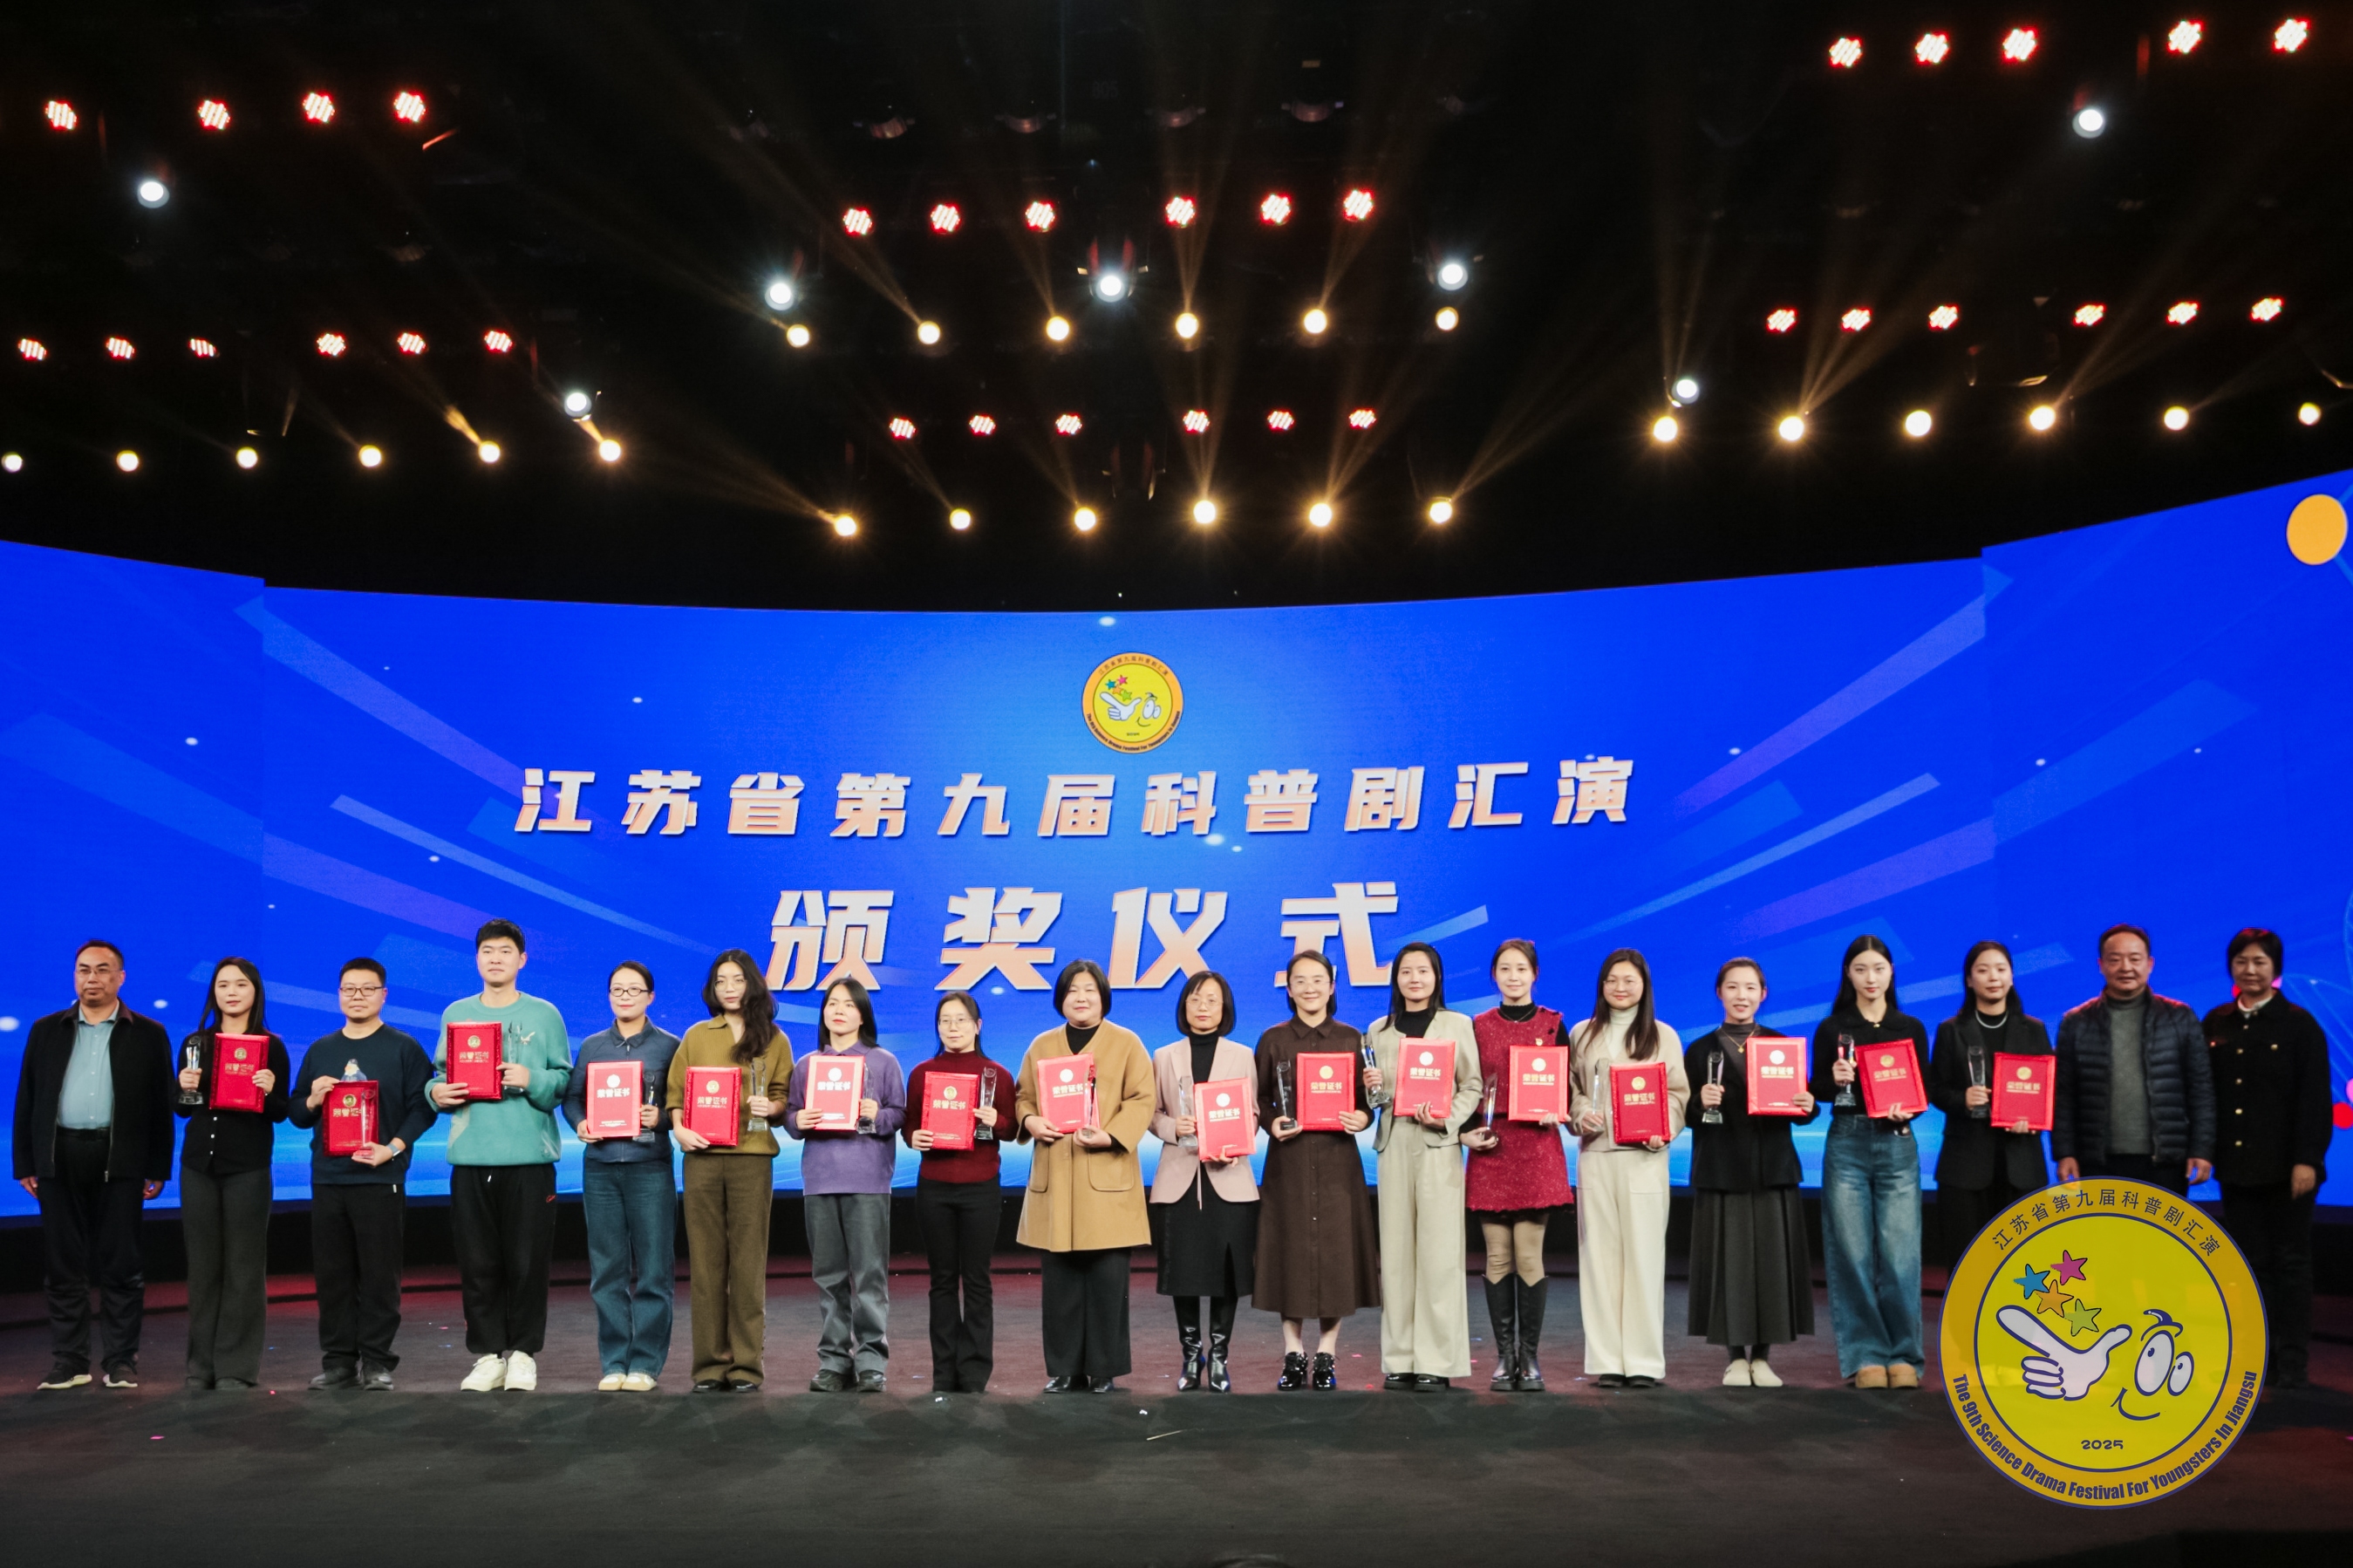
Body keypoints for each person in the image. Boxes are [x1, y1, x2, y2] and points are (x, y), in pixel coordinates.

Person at [14, 941, 174, 1390]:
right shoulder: (46, 1030)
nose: (92, 979)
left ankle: (121, 1361)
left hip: (120, 1159)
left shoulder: (148, 1033)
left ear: (120, 978)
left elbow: (161, 1107)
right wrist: (25, 1162)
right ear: (74, 976)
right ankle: (70, 1361)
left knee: (121, 1265)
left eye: (102, 970)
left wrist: (158, 1167)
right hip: (59, 1156)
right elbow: (27, 1099)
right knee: (63, 1265)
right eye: (83, 970)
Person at [427, 918, 572, 1393]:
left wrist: (532, 1079)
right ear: (476, 959)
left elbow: (563, 1080)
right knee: (478, 1263)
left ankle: (524, 1354)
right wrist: (436, 1093)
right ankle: (488, 1355)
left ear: (522, 959)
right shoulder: (456, 1013)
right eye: (487, 951)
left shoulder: (544, 1014)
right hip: (472, 1156)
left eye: (505, 951)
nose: (495, 958)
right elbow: (438, 1076)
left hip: (529, 1158)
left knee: (528, 1263)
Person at [286, 958, 436, 1391]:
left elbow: (423, 1108)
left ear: (383, 995)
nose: (357, 996)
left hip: (380, 1177)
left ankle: (376, 1361)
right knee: (333, 1277)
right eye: (349, 989)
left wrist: (392, 1148)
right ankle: (338, 1362)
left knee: (379, 1276)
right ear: (338, 995)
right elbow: (297, 1112)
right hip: (329, 1177)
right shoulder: (321, 1049)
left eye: (367, 989)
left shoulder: (403, 1047)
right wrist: (313, 1099)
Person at [1015, 958, 1156, 1393]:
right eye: (1072, 990)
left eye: (1090, 990)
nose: (1081, 997)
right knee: (1060, 1283)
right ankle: (1064, 1368)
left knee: (1108, 1282)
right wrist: (1031, 1121)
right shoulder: (1042, 1045)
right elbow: (1023, 1097)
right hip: (1057, 1176)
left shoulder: (1126, 1043)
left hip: (1106, 1175)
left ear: (1103, 997)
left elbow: (1142, 1099)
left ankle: (1103, 1369)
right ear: (1061, 998)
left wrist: (1111, 1135)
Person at [2203, 928, 2334, 1390]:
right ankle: (2257, 1357)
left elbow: (2314, 1099)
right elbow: (2206, 1094)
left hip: (2288, 1171)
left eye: (2260, 962)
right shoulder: (2216, 1022)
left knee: (2291, 1265)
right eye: (2242, 961)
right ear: (2231, 967)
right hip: (2237, 1168)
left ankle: (2292, 1362)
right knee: (2248, 1266)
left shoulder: (2299, 1024)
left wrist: (2307, 1160)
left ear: (2276, 969)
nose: (2250, 970)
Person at [1685, 958, 1818, 1387]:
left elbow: (1802, 1109)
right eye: (1732, 987)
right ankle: (1733, 1359)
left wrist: (1808, 1104)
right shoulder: (1699, 1050)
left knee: (1770, 1267)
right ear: (1719, 993)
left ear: (1763, 994)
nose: (1741, 996)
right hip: (1721, 1170)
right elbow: (1685, 1115)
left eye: (1750, 988)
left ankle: (1762, 1357)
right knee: (1728, 1266)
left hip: (1772, 1169)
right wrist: (1699, 1104)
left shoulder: (1782, 1045)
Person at [1252, 950, 1380, 1392]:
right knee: (1289, 1254)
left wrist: (1364, 1116)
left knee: (1335, 1257)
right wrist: (1272, 1122)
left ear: (1332, 986)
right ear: (1289, 989)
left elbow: (1366, 1102)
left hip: (1337, 1163)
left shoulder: (1352, 1039)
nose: (1309, 988)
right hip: (1287, 1162)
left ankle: (1326, 1352)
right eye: (1300, 981)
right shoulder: (1273, 1039)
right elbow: (1260, 1098)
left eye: (1318, 980)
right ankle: (1293, 1352)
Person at [1808, 934, 1931, 1390]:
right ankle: (1866, 1355)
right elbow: (1818, 1090)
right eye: (1861, 969)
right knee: (1852, 1255)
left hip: (1897, 1142)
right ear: (1848, 974)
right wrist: (1833, 1077)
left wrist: (1908, 1109)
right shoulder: (1832, 1028)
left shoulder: (1910, 1027)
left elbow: (1922, 1091)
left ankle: (1904, 1355)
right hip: (1848, 1141)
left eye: (1878, 968)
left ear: (1891, 972)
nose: (1870, 978)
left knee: (1901, 1255)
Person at [669, 950, 793, 1391]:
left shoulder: (774, 1039)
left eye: (737, 980)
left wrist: (771, 1108)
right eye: (721, 981)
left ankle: (746, 1366)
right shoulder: (697, 1036)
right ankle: (708, 1366)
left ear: (752, 984)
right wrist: (679, 1129)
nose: (729, 988)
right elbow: (676, 1095)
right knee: (705, 1265)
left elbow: (783, 1098)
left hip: (751, 1158)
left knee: (747, 1263)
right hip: (702, 1159)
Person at [1565, 947, 1688, 1389]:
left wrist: (1663, 1129)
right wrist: (1581, 1115)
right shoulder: (1581, 1033)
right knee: (1598, 1260)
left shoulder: (1662, 1035)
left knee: (1644, 1259)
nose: (1620, 988)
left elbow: (1677, 1095)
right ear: (1601, 985)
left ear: (1644, 986)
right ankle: (1607, 1360)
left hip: (1644, 1160)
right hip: (1597, 1157)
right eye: (1612, 980)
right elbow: (1573, 1090)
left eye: (1629, 980)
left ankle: (1643, 1362)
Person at [1364, 941, 1483, 1391]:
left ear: (1437, 977)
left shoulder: (1457, 1024)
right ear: (1396, 979)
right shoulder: (1378, 1030)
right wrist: (1372, 1088)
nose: (1415, 979)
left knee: (1439, 1255)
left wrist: (1447, 1118)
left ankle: (1436, 1360)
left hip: (1437, 1144)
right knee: (1395, 1256)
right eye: (1406, 972)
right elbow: (1375, 1098)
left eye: (1423, 971)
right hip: (1394, 1143)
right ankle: (1400, 1358)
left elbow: (1472, 1086)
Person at [563, 960, 683, 1392]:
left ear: (651, 997)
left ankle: (645, 1364)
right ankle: (614, 1361)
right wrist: (580, 1123)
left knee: (654, 1270)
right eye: (618, 989)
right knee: (607, 1271)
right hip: (600, 1169)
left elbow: (682, 1105)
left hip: (649, 1166)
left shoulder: (671, 1046)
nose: (625, 996)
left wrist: (661, 1118)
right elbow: (572, 1098)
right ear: (609, 996)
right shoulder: (593, 1046)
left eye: (634, 990)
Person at [173, 958, 291, 1389]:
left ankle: (236, 1368)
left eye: (241, 984)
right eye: (223, 985)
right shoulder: (195, 1042)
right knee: (203, 1268)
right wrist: (183, 1088)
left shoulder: (271, 1046)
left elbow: (280, 1112)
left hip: (248, 1168)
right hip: (198, 1166)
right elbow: (182, 1109)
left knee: (244, 1267)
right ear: (214, 993)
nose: (232, 992)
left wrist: (269, 1091)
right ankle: (200, 1366)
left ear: (255, 991)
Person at [1462, 939, 1572, 1391]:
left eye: (1521, 969)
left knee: (1528, 1255)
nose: (1513, 976)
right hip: (1492, 1147)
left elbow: (1566, 1088)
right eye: (1505, 969)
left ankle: (1530, 1358)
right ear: (1494, 975)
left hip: (1536, 1149)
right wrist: (1467, 1131)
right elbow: (1466, 1086)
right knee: (1497, 1256)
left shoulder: (1553, 1024)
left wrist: (1558, 1109)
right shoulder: (1477, 1026)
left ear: (1535, 974)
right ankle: (1504, 1356)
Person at [785, 976, 904, 1393]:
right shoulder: (807, 1065)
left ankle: (871, 1360)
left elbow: (899, 1114)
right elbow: (792, 1116)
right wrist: (797, 1120)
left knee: (869, 1274)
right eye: (832, 1003)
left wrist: (878, 1114)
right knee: (828, 1276)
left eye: (849, 1004)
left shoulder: (883, 1061)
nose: (839, 1010)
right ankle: (834, 1361)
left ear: (862, 1015)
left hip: (868, 1179)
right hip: (820, 1179)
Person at [1149, 971, 1259, 1394]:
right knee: (1185, 1272)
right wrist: (1171, 1127)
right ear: (1184, 1006)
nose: (1203, 1007)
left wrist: (1235, 1141)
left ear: (1224, 1007)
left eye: (1212, 1000)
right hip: (1180, 1177)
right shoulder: (1164, 1056)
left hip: (1228, 1178)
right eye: (1195, 999)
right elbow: (1151, 1113)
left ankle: (1219, 1358)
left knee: (1226, 1274)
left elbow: (1251, 1113)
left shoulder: (1241, 1055)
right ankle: (1191, 1355)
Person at [904, 991, 1017, 1393]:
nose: (953, 1028)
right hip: (934, 1187)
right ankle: (944, 1370)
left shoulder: (996, 1075)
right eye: (945, 1021)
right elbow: (910, 1123)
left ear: (977, 1025)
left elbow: (1012, 1129)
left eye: (961, 1020)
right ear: (937, 1027)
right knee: (942, 1281)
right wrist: (913, 1137)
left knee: (977, 1280)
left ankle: (973, 1371)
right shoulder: (922, 1073)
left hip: (980, 1188)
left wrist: (996, 1120)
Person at [2052, 924, 2216, 1197]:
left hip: (2166, 1161)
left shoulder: (2179, 1017)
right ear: (2101, 965)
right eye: (2115, 959)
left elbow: (2201, 1089)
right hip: (2097, 1161)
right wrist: (2065, 1153)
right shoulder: (2076, 1022)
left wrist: (2202, 1149)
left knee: (2161, 1228)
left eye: (2135, 959)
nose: (2125, 967)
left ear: (2150, 964)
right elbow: (2064, 1095)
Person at [1927, 941, 2051, 1262]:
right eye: (1983, 970)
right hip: (1965, 1165)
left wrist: (2035, 1120)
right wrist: (1962, 1099)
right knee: (1967, 1261)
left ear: (2011, 976)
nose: (1993, 977)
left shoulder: (2034, 1030)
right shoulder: (1950, 1030)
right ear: (1969, 980)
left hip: (2021, 1163)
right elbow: (1934, 1088)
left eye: (2001, 969)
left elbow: (2049, 1089)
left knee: (2023, 1264)